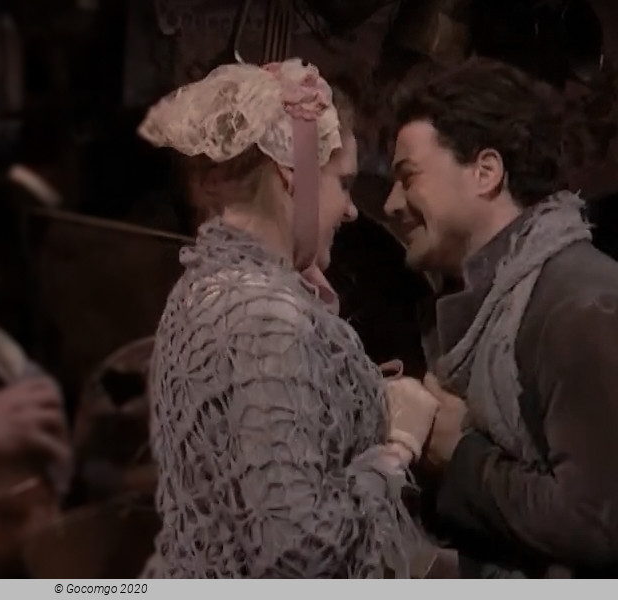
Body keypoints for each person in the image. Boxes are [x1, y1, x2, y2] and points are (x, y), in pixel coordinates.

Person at [383, 57, 618, 578]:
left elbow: (605, 528)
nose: (391, 203)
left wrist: (458, 454)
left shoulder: (588, 306)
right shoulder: (498, 303)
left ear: (486, 172)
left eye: (408, 177)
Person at [138, 59, 437, 578]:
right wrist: (398, 446)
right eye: (344, 183)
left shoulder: (203, 287)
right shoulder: (264, 316)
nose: (351, 210)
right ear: (291, 174)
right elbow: (299, 552)